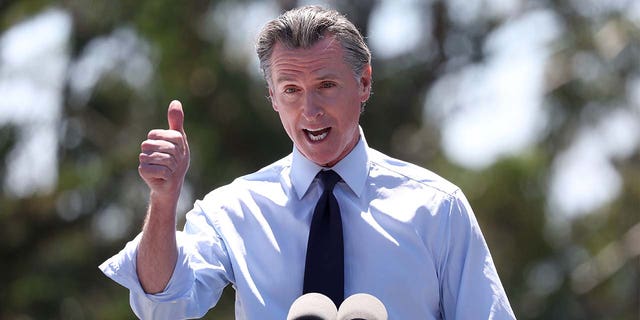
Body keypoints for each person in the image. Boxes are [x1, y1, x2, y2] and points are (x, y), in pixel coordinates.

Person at [100, 5, 516, 319]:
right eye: (292, 90)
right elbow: (163, 306)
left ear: (365, 82)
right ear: (272, 96)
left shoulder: (437, 209)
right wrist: (164, 198)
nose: (310, 109)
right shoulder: (232, 210)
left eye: (326, 85)